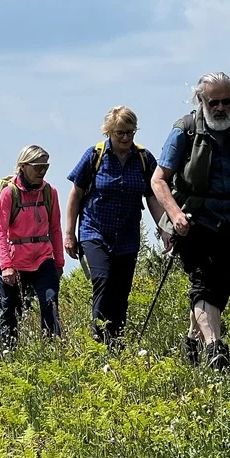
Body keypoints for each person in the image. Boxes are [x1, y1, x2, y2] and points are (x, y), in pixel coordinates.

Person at [150, 71, 230, 369]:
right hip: (194, 220)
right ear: (201, 100)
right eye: (214, 102)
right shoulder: (185, 130)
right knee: (203, 282)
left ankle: (192, 340)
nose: (221, 108)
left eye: (226, 101)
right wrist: (175, 214)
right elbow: (158, 180)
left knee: (221, 283)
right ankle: (214, 349)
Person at [66, 106, 166, 347]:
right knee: (103, 280)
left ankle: (116, 343)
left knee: (121, 292)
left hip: (128, 237)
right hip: (95, 232)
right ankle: (99, 341)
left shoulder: (143, 158)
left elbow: (153, 196)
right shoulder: (94, 156)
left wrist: (164, 230)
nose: (125, 138)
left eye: (130, 132)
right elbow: (76, 195)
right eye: (120, 132)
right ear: (108, 132)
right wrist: (69, 234)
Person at [0, 145, 65, 348]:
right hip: (16, 261)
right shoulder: (10, 194)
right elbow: (0, 231)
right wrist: (6, 265)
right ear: (23, 166)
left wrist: (58, 261)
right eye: (38, 166)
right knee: (11, 309)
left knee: (50, 303)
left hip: (43, 258)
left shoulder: (50, 193)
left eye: (45, 166)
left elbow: (55, 229)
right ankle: (8, 351)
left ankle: (52, 349)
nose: (42, 171)